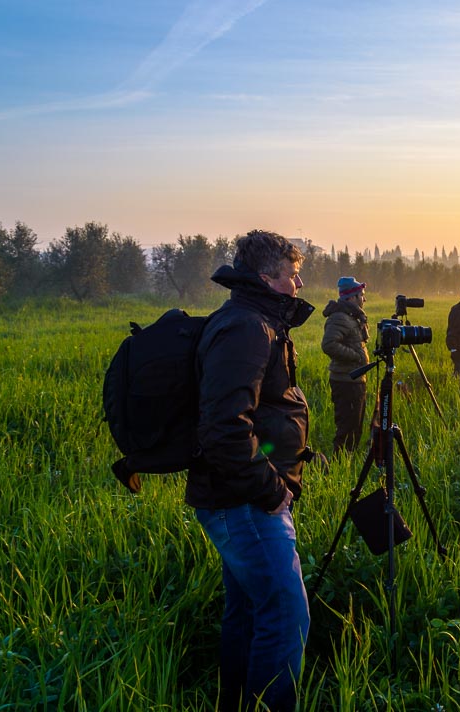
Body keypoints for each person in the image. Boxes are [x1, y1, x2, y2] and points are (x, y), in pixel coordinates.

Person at [186, 229, 314, 712]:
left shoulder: (255, 321)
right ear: (268, 278)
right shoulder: (246, 328)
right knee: (285, 616)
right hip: (244, 502)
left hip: (235, 498)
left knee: (246, 614)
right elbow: (224, 428)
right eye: (294, 276)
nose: (299, 285)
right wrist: (270, 489)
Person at [321, 276, 370, 453]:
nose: (363, 299)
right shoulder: (340, 317)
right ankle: (339, 463)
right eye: (361, 295)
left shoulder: (352, 317)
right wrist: (356, 357)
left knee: (355, 425)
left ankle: (347, 461)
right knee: (347, 427)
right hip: (346, 381)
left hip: (354, 379)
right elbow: (328, 344)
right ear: (350, 297)